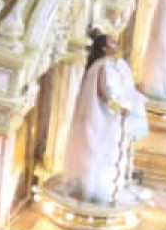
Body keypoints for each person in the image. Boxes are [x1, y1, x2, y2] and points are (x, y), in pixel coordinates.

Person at [54, 33, 149, 209]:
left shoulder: (116, 66)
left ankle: (108, 187)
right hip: (102, 118)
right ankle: (95, 190)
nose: (117, 43)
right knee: (99, 152)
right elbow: (103, 92)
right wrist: (117, 107)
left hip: (111, 117)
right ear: (104, 48)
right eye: (112, 42)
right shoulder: (102, 67)